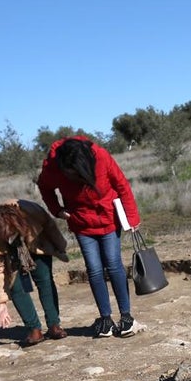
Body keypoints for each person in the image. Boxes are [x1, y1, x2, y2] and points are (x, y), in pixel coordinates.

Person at [37, 136, 140, 338]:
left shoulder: (101, 156)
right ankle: (105, 319)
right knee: (93, 269)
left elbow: (122, 186)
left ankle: (126, 317)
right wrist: (58, 210)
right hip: (81, 222)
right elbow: (45, 187)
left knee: (114, 264)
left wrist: (132, 218)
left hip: (109, 219)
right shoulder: (53, 166)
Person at [0, 199, 70, 347]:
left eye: (12, 233)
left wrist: (60, 246)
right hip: (9, 254)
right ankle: (34, 329)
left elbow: (49, 224)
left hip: (36, 243)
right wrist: (2, 303)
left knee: (45, 279)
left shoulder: (30, 210)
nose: (10, 237)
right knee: (16, 288)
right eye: (7, 235)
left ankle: (54, 325)